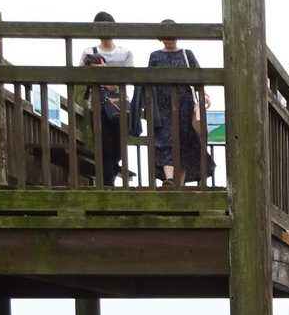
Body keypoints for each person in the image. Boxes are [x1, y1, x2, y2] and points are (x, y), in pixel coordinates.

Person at [133, 20, 212, 186]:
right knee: (165, 142)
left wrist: (203, 95)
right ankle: (169, 180)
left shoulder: (187, 54)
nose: (169, 40)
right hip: (161, 106)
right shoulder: (155, 56)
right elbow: (148, 80)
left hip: (184, 104)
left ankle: (178, 184)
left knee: (183, 142)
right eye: (166, 37)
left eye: (172, 36)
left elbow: (199, 79)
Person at [81, 11, 134, 185]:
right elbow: (80, 77)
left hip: (120, 106)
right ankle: (106, 185)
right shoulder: (89, 52)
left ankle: (107, 182)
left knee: (119, 148)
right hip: (97, 105)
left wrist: (102, 72)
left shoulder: (125, 53)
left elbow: (128, 79)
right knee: (104, 147)